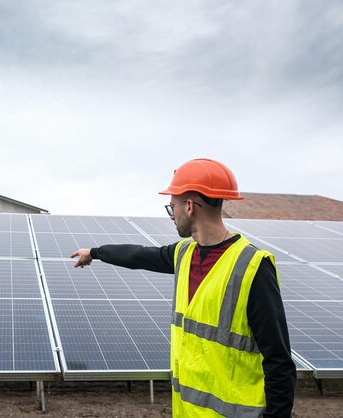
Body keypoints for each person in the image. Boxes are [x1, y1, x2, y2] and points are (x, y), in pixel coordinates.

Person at [71, 158, 296, 418]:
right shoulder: (184, 254)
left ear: (189, 207)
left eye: (172, 207)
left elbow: (279, 362)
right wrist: (95, 253)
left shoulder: (252, 266)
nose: (171, 215)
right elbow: (138, 255)